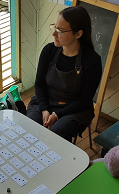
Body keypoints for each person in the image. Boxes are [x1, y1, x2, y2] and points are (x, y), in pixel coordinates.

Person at [27, 6, 102, 142]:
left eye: (60, 31)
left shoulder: (92, 61)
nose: (54, 34)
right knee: (29, 127)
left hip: (74, 109)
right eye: (54, 28)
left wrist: (57, 114)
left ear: (78, 34)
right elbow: (39, 84)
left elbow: (84, 100)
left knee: (56, 134)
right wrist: (44, 109)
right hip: (47, 101)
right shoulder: (49, 51)